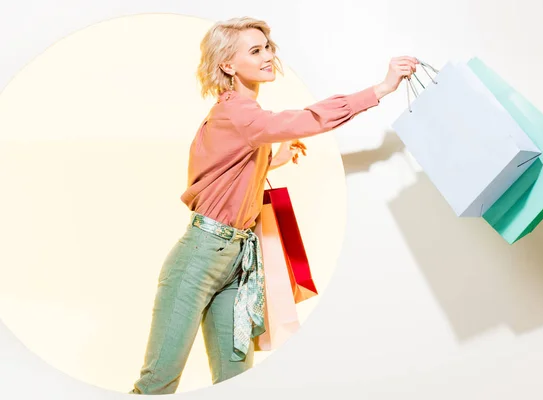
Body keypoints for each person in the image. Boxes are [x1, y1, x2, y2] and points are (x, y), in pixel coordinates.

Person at [129, 16, 417, 395]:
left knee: (237, 382)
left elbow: (227, 173)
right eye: (255, 50)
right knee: (158, 382)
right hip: (199, 258)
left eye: (267, 48)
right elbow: (308, 119)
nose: (267, 56)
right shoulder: (238, 113)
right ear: (228, 65)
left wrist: (274, 157)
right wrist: (381, 88)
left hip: (238, 260)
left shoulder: (245, 119)